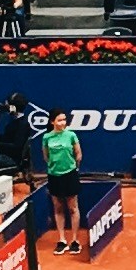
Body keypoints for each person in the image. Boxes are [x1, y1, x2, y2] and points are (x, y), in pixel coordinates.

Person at [41, 108, 84, 254]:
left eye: (64, 120)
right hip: (54, 175)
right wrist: (54, 167)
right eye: (59, 120)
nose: (63, 123)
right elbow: (46, 156)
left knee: (73, 208)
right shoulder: (47, 137)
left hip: (70, 174)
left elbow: (78, 154)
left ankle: (75, 240)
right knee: (58, 207)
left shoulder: (71, 135)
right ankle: (62, 240)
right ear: (52, 121)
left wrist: (73, 168)